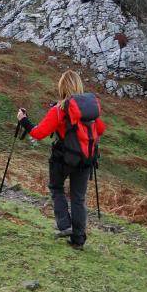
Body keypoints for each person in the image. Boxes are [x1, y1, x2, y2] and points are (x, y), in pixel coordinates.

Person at [17, 70, 106, 250]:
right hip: (86, 160)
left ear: (62, 87)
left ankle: (65, 225)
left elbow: (39, 133)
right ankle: (78, 240)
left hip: (64, 159)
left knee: (56, 188)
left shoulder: (59, 110)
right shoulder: (89, 110)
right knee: (78, 199)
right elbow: (101, 129)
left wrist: (23, 120)